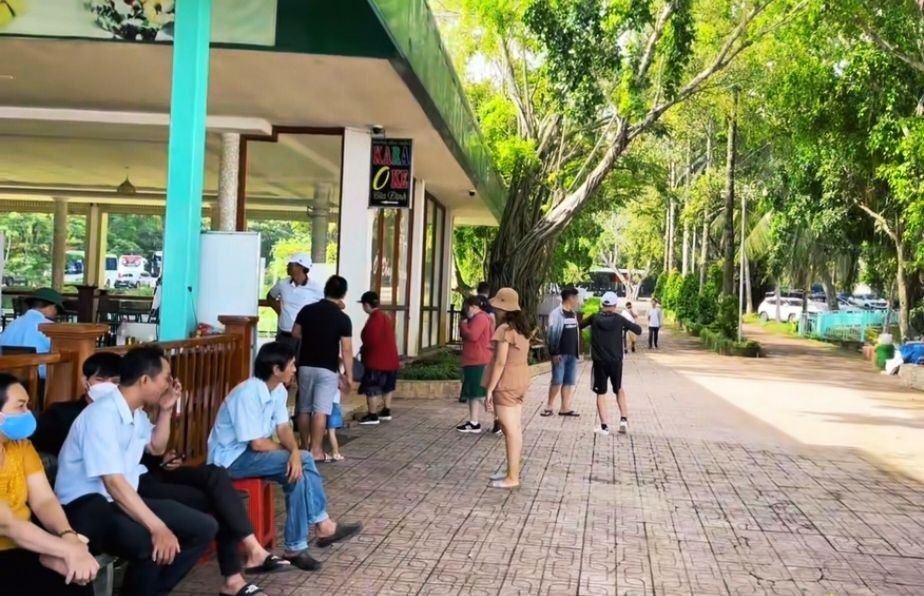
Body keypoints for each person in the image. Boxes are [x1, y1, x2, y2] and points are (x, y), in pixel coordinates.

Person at [55, 345, 219, 596]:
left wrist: (166, 410)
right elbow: (113, 483)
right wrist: (158, 527)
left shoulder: (135, 412)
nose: (169, 385)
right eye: (166, 378)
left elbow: (156, 446)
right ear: (144, 380)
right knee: (148, 542)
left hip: (119, 500)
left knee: (204, 527)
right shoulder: (101, 415)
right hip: (87, 508)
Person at [207, 342, 362, 571]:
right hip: (229, 461)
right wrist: (295, 454)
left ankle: (295, 548)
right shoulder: (247, 393)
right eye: (291, 365)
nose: (295, 369)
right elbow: (257, 443)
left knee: (296, 474)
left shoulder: (278, 390)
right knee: (304, 460)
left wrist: (295, 453)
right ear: (276, 370)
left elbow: (283, 428)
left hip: (252, 455)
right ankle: (323, 524)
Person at [0, 373, 101, 595]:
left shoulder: (20, 445)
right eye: (20, 406)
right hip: (9, 545)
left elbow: (44, 499)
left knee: (75, 573)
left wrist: (68, 537)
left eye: (28, 405)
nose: (28, 413)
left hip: (23, 544)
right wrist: (68, 550)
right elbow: (7, 525)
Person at [292, 276, 354, 460]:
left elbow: (295, 333)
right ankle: (316, 451)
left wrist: (312, 336)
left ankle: (304, 447)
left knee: (304, 408)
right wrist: (349, 376)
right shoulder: (343, 318)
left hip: (305, 365)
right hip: (327, 368)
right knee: (320, 410)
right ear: (343, 294)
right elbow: (347, 349)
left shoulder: (307, 310)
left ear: (325, 290)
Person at [483, 288, 532, 489]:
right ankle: (512, 471)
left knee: (510, 430)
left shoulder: (504, 330)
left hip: (506, 383)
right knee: (515, 429)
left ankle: (512, 477)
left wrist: (489, 389)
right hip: (520, 380)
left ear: (503, 307)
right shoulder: (522, 328)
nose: (495, 309)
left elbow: (500, 362)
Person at [32, 352, 122, 457]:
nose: (108, 386)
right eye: (100, 380)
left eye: (115, 381)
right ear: (85, 381)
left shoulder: (127, 416)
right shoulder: (58, 415)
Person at [581, 292, 642, 435]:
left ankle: (604, 427)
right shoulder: (619, 319)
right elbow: (638, 330)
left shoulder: (594, 318)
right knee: (618, 388)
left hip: (599, 362)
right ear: (614, 305)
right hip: (616, 361)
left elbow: (580, 325)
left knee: (601, 393)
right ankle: (623, 420)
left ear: (602, 304)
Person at [0, 287, 65, 379]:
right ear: (52, 307)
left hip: (6, 379)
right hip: (37, 381)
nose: (56, 315)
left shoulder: (12, 324)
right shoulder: (50, 327)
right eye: (57, 311)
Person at [357, 291, 400, 426]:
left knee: (372, 387)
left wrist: (364, 350)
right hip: (391, 359)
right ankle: (386, 410)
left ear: (366, 305)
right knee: (388, 386)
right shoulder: (385, 317)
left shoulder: (374, 318)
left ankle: (372, 414)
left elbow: (371, 339)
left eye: (363, 305)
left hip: (376, 360)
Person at [266, 253, 323, 352]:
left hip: (305, 337)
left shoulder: (316, 287)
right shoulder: (282, 284)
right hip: (284, 336)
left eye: (290, 264)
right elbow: (270, 297)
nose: (287, 266)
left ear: (300, 267)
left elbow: (332, 303)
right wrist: (280, 312)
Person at [456, 295, 494, 433]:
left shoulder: (480, 318)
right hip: (473, 360)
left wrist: (463, 324)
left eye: (467, 308)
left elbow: (472, 335)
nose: (466, 311)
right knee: (473, 393)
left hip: (478, 360)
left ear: (473, 307)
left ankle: (499, 419)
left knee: (480, 393)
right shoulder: (480, 318)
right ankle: (474, 422)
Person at [543, 287, 581, 417]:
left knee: (569, 381)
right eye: (576, 297)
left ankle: (565, 407)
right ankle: (549, 406)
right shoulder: (556, 313)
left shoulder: (573, 313)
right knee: (557, 380)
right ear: (570, 297)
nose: (577, 300)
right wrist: (554, 352)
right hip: (560, 353)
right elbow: (552, 333)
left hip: (572, 352)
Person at [477, 283, 503, 436]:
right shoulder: (492, 312)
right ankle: (497, 421)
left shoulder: (503, 327)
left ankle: (498, 420)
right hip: (490, 351)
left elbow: (500, 362)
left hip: (487, 352)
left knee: (489, 390)